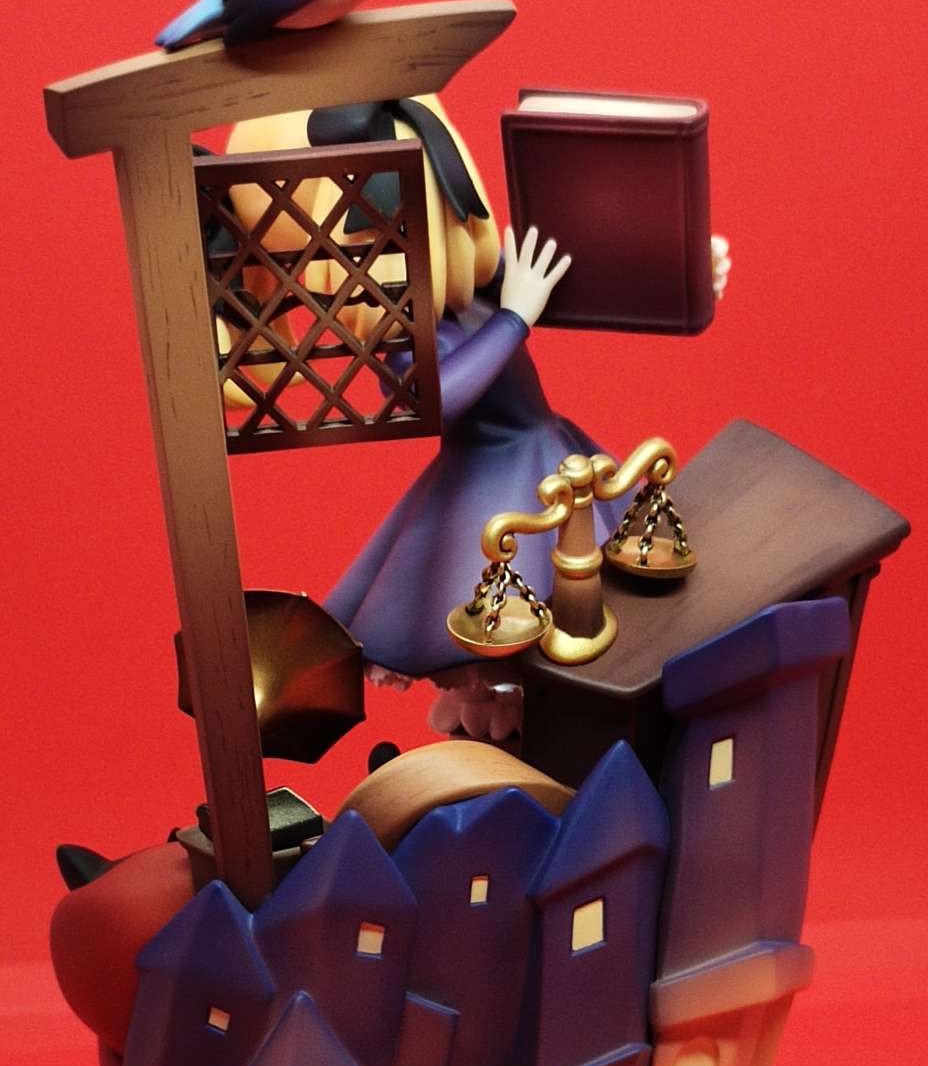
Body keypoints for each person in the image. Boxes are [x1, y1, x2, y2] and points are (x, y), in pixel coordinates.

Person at [223, 96, 729, 735]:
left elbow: (578, 276)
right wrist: (516, 317)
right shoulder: (405, 330)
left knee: (587, 606)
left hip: (546, 453)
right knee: (502, 619)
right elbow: (437, 398)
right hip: (492, 483)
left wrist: (684, 268)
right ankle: (501, 718)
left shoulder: (471, 291)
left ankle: (548, 722)